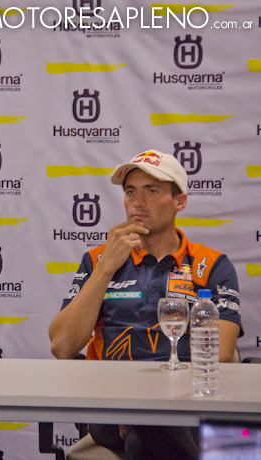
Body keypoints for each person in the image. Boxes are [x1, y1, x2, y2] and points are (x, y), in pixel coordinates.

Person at [48, 150, 242, 460]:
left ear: (180, 201)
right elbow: (62, 345)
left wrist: (145, 405)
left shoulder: (211, 264)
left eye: (151, 191)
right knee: (147, 430)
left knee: (142, 442)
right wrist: (106, 268)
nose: (137, 202)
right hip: (112, 408)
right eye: (130, 191)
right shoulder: (97, 260)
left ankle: (143, 424)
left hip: (189, 407)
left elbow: (219, 353)